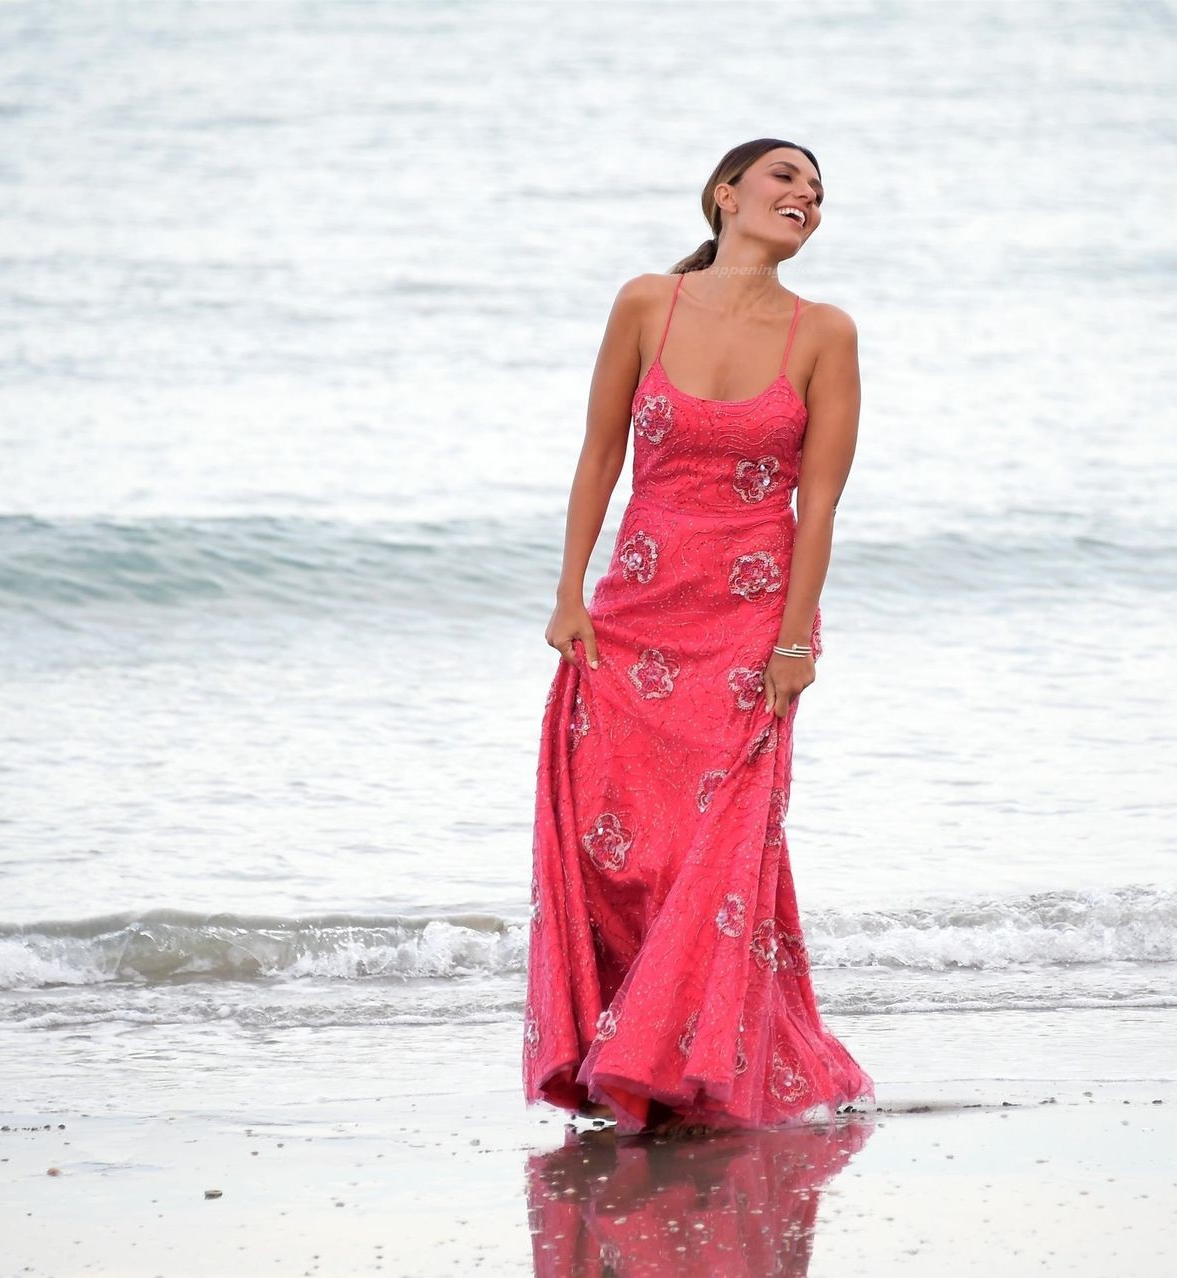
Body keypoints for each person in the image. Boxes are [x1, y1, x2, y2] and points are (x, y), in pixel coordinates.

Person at [523, 138, 873, 1139]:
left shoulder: (825, 333)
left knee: (720, 846)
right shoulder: (647, 303)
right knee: (616, 842)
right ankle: (628, 1056)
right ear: (726, 194)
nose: (805, 196)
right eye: (785, 178)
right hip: (633, 616)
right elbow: (599, 453)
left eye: (817, 191)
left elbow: (819, 503)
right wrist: (570, 593)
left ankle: (691, 1066)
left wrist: (796, 641)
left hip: (749, 628)